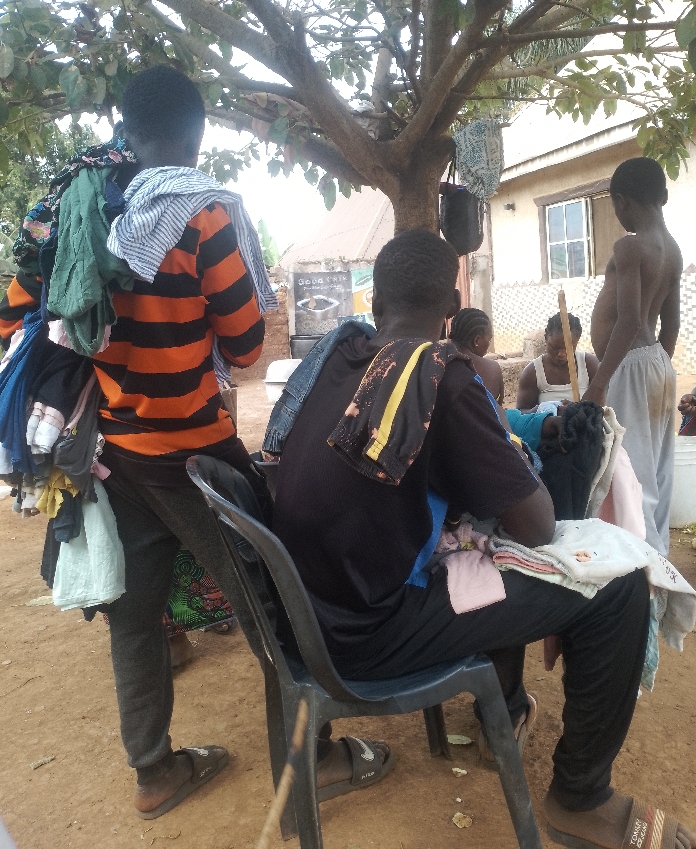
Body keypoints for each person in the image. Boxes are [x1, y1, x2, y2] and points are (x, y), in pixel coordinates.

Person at [0, 66, 387, 818]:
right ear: (196, 136)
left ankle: (155, 771)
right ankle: (312, 762)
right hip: (198, 458)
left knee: (134, 617)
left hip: (113, 455)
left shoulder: (73, 207)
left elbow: (13, 317)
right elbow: (245, 345)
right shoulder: (203, 215)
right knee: (275, 605)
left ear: (125, 126)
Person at [269, 230, 695, 849]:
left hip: (302, 614)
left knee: (477, 551)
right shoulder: (438, 378)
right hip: (365, 637)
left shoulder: (336, 356)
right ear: (451, 308)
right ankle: (581, 798)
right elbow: (537, 525)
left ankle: (492, 715)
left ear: (377, 302)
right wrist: (510, 456)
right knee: (620, 587)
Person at [586, 157, 682, 556]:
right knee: (657, 472)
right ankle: (658, 559)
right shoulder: (673, 250)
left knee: (630, 474)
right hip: (657, 363)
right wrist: (659, 371)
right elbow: (671, 324)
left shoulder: (630, 245)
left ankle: (643, 569)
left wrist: (599, 382)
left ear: (622, 201)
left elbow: (628, 321)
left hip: (629, 364)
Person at [516, 312, 599, 410]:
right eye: (555, 347)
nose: (561, 354)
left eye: (568, 348)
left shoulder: (589, 365)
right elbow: (521, 412)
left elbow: (601, 408)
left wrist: (576, 409)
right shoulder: (533, 372)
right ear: (546, 338)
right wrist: (544, 411)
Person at [449, 308, 504, 403]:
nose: (489, 344)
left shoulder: (435, 358)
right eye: (489, 339)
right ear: (476, 341)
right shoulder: (492, 368)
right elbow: (497, 408)